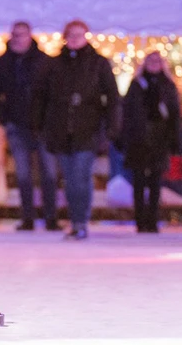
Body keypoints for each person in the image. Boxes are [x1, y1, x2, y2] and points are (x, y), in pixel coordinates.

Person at [32, 20, 120, 241]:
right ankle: (76, 220)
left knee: (81, 177)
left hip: (87, 130)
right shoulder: (53, 65)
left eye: (79, 35)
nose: (75, 39)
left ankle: (80, 221)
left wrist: (111, 127)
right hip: (60, 131)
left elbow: (112, 97)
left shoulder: (98, 64)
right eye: (71, 35)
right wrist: (40, 126)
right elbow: (40, 97)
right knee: (70, 179)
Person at [0, 22, 58, 231]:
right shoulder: (3, 63)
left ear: (30, 37)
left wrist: (48, 118)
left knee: (49, 173)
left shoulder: (44, 62)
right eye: (15, 35)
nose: (19, 39)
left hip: (43, 126)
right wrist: (5, 117)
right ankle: (27, 217)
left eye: (23, 35)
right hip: (17, 126)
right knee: (23, 174)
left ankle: (51, 217)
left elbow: (53, 93)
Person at [119, 51, 181, 233]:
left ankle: (153, 219)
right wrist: (124, 136)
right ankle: (140, 219)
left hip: (159, 139)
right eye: (150, 60)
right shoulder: (136, 85)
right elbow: (128, 112)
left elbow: (174, 115)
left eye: (157, 61)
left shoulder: (168, 86)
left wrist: (174, 139)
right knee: (138, 181)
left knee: (155, 182)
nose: (154, 64)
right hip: (138, 139)